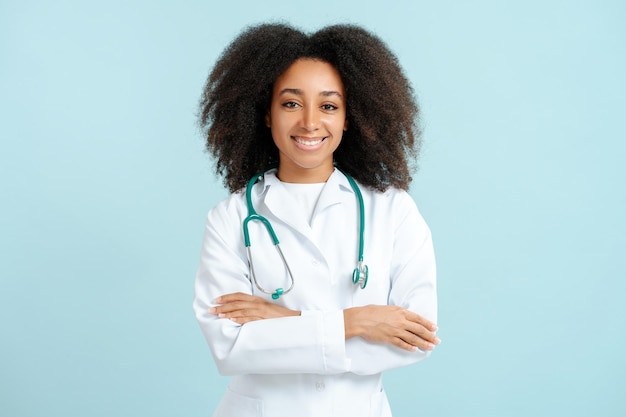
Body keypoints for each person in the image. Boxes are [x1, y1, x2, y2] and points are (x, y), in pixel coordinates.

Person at [193, 22, 439, 417]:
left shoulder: (393, 210)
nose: (309, 122)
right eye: (291, 103)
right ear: (267, 114)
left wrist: (285, 321)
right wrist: (357, 322)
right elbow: (232, 348)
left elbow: (415, 337)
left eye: (328, 105)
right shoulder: (231, 218)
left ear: (348, 118)